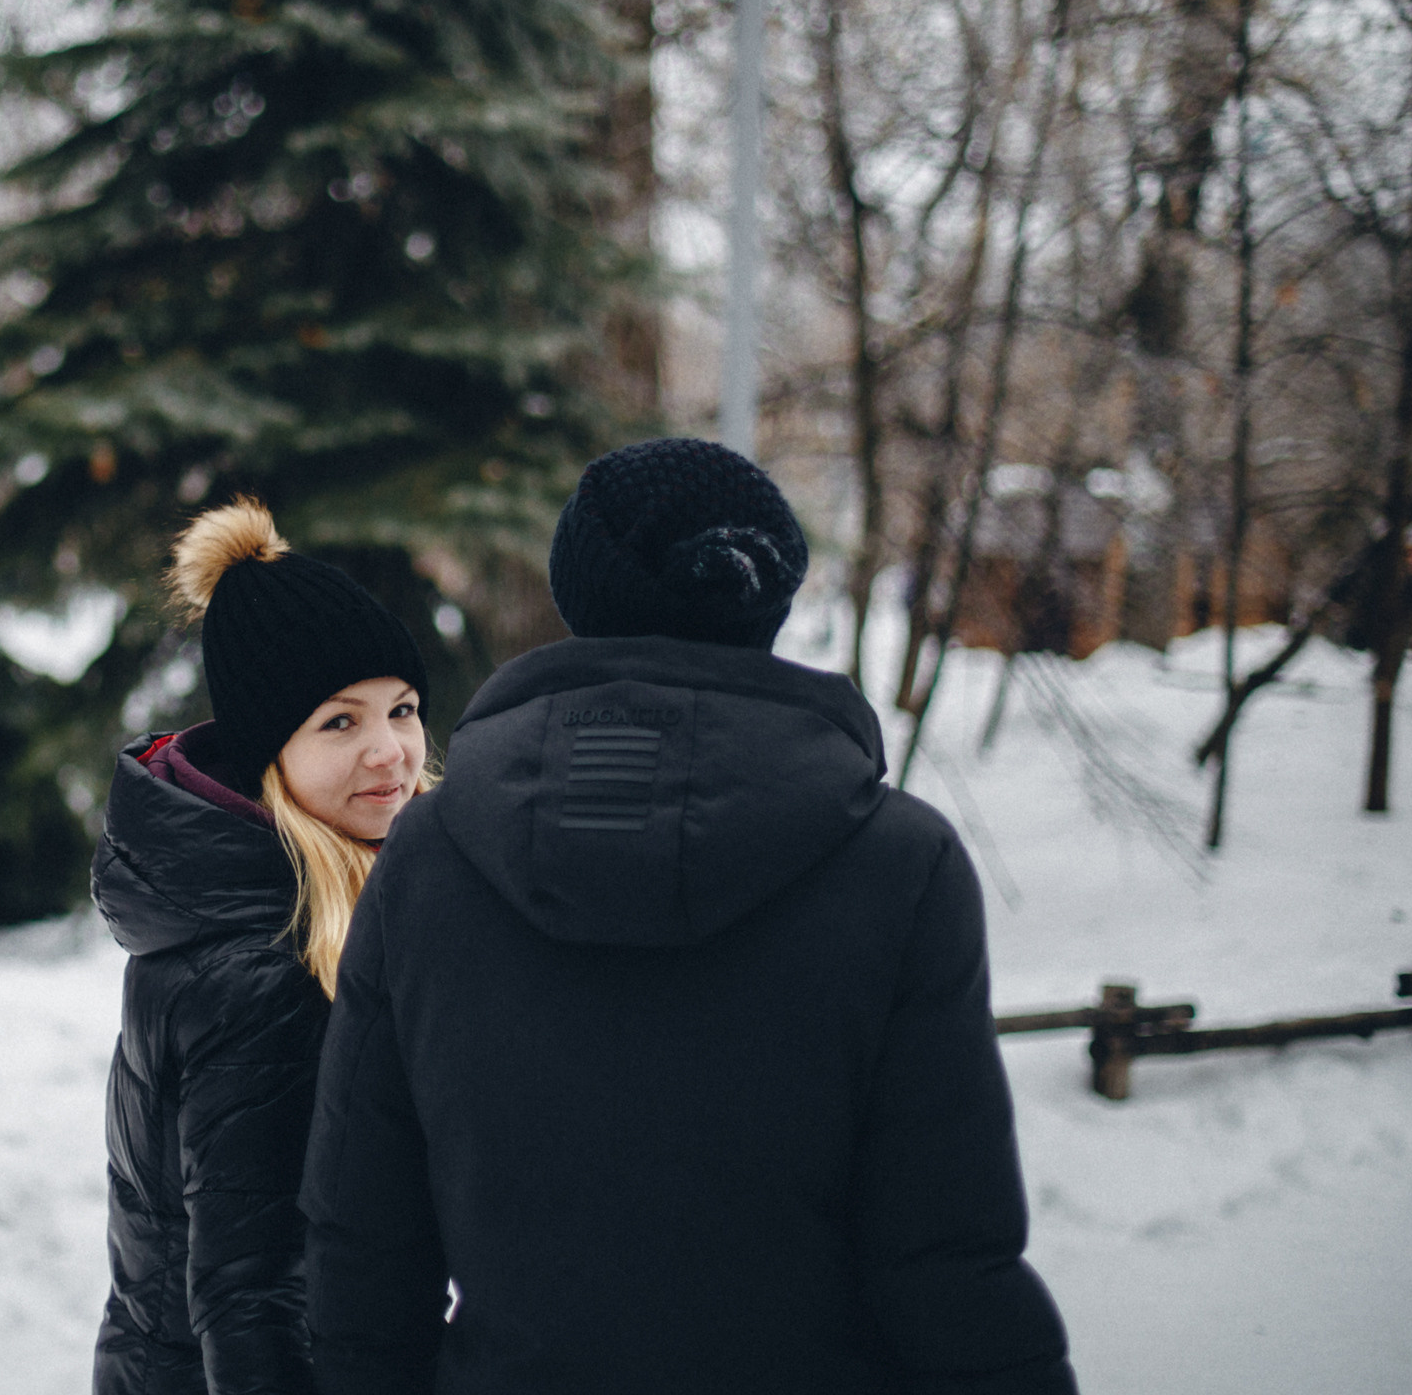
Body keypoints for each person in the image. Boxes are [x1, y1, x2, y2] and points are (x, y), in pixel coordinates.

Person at [301, 439, 1078, 1395]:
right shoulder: (902, 867)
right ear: (767, 599)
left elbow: (365, 1250)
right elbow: (948, 1262)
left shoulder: (427, 859)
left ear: (579, 590)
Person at [93, 498, 437, 1395]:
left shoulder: (309, 905)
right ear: (267, 755)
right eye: (339, 722)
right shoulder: (267, 967)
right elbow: (252, 1297)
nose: (390, 752)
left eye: (401, 711)